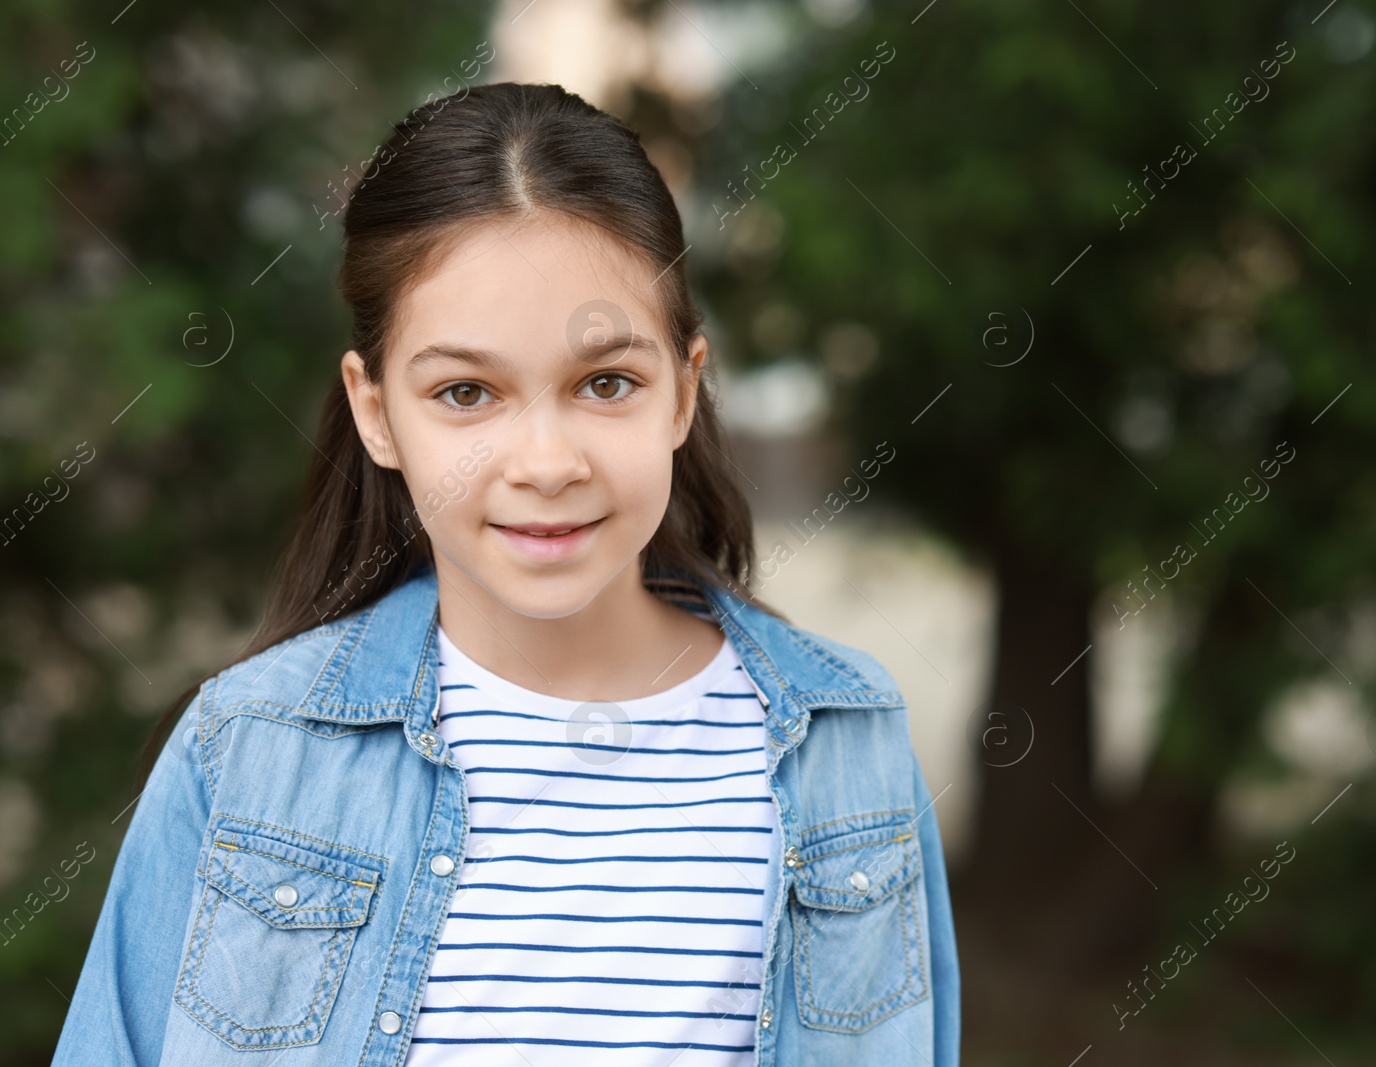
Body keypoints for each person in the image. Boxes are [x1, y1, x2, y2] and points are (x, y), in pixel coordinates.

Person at [51, 81, 959, 1067]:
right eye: (466, 391)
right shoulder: (247, 749)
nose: (544, 461)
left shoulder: (847, 744)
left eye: (605, 382)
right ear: (377, 411)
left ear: (685, 391)